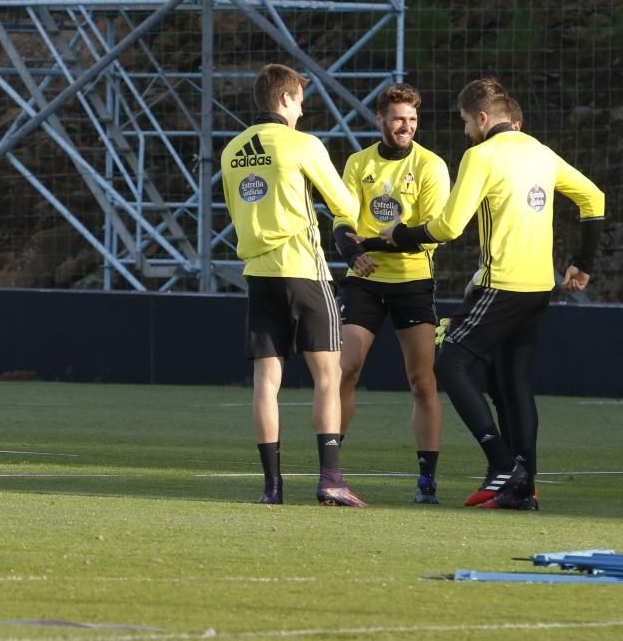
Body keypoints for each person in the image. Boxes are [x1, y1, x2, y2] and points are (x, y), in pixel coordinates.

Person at [381, 78, 605, 510]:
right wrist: (585, 262)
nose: (466, 131)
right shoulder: (538, 150)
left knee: (449, 362)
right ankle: (524, 489)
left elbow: (447, 227)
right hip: (539, 286)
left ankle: (504, 465)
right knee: (512, 386)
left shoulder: (480, 155)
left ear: (482, 118)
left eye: (466, 122)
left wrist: (401, 234)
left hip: (503, 284)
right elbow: (593, 197)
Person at [220, 63, 366, 507]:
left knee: (266, 381)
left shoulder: (231, 150)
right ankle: (331, 479)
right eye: (300, 101)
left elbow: (233, 209)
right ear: (284, 99)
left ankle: (272, 487)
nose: (302, 111)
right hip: (303, 269)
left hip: (259, 275)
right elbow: (344, 203)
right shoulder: (302, 144)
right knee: (328, 377)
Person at [332, 83, 450, 504]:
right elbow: (342, 217)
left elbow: (431, 233)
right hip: (363, 281)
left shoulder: (431, 166)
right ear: (380, 118)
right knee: (346, 370)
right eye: (399, 118)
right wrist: (351, 250)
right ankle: (332, 471)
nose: (407, 126)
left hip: (413, 283)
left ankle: (427, 481)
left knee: (422, 381)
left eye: (413, 120)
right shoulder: (358, 162)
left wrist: (373, 245)